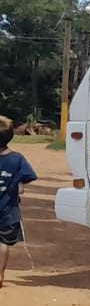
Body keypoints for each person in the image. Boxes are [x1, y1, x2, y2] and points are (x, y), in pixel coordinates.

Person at [0, 118, 39, 287]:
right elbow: (29, 176)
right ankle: (0, 273)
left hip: (9, 210)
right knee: (3, 242)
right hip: (8, 211)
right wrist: (18, 183)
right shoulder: (17, 159)